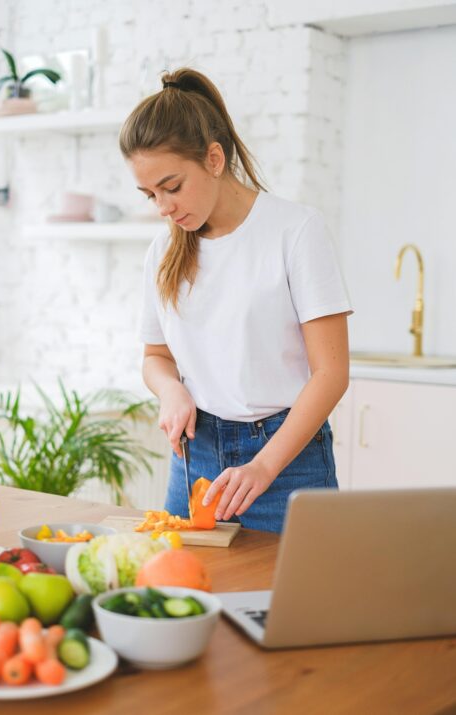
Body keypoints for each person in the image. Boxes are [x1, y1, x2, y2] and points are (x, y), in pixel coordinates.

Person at [119, 68, 353, 535]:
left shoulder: (295, 231)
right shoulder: (163, 252)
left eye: (172, 186)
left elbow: (331, 374)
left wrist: (263, 467)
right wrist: (171, 390)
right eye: (150, 194)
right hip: (196, 459)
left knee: (293, 606)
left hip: (288, 464)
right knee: (186, 598)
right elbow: (155, 358)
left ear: (213, 158)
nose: (162, 207)